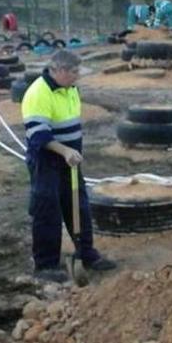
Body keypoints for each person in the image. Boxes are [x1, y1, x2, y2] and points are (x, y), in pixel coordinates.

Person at [22, 50, 116, 282]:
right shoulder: (37, 93)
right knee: (48, 210)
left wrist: (71, 153)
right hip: (46, 161)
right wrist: (65, 151)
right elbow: (38, 135)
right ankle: (45, 265)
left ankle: (87, 254)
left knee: (79, 206)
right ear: (59, 70)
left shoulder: (70, 88)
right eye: (74, 72)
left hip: (70, 160)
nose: (78, 76)